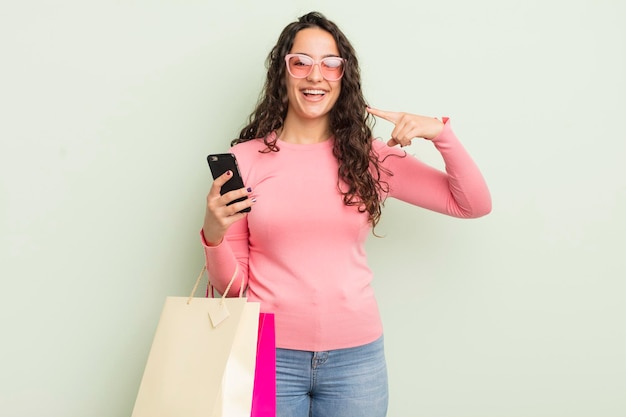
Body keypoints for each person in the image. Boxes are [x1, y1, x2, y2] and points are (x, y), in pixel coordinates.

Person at [201, 11, 491, 417]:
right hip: (267, 355)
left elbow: (472, 204)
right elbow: (235, 288)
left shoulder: (368, 158)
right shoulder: (243, 161)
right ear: (282, 73)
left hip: (356, 361)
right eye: (301, 62)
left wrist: (441, 133)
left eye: (330, 64)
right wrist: (213, 235)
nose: (315, 75)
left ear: (343, 76)